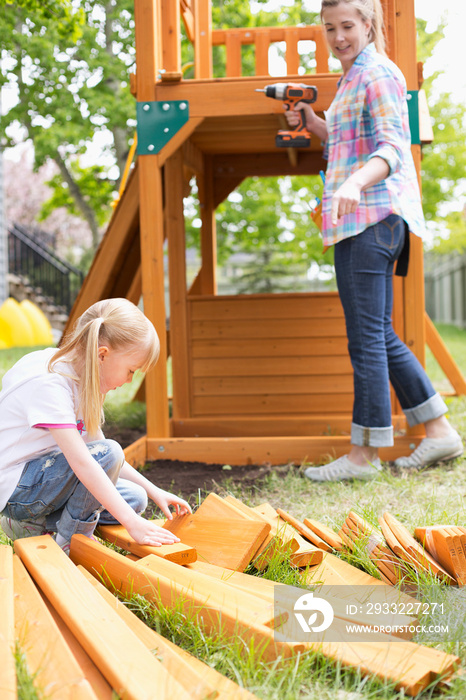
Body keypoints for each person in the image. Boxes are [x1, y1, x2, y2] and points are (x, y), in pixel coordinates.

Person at [285, 0, 463, 481]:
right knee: (378, 334)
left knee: (365, 339)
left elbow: (391, 148)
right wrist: (314, 122)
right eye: (329, 28)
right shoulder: (353, 77)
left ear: (368, 24)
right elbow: (348, 145)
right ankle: (441, 432)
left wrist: (353, 184)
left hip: (370, 215)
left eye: (347, 25)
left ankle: (363, 457)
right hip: (361, 217)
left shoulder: (379, 73)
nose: (338, 36)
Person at [0, 298, 191, 552]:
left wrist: (155, 490)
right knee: (109, 455)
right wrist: (133, 524)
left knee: (135, 498)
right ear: (102, 355)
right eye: (131, 370)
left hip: (47, 481)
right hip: (18, 491)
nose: (129, 380)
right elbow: (87, 461)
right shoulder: (50, 383)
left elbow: (99, 454)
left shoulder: (83, 378)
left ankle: (31, 525)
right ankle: (71, 542)